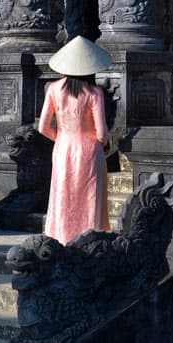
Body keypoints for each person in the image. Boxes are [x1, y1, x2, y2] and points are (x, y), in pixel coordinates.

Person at [38, 35, 113, 244]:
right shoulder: (95, 92)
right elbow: (102, 133)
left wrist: (61, 139)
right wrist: (103, 143)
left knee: (63, 196)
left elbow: (43, 127)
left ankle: (60, 240)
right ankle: (90, 241)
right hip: (89, 151)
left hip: (63, 148)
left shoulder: (53, 89)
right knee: (90, 198)